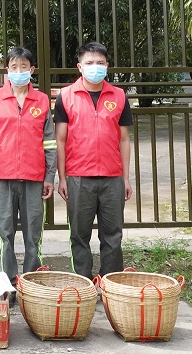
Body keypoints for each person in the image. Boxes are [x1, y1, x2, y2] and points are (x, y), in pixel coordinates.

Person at [56, 41, 134, 279]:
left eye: (100, 63)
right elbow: (60, 139)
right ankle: (84, 282)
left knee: (113, 235)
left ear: (107, 65)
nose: (95, 67)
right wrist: (62, 178)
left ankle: (109, 282)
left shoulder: (119, 96)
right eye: (89, 63)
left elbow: (124, 139)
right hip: (79, 177)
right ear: (80, 67)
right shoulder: (66, 96)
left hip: (112, 178)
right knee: (79, 235)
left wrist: (125, 178)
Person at [0, 47, 56, 285]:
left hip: (34, 177)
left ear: (32, 70)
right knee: (6, 233)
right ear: (7, 70)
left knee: (33, 233)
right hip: (3, 177)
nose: (19, 71)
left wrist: (49, 176)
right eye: (14, 67)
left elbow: (50, 141)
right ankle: (9, 281)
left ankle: (30, 281)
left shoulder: (42, 100)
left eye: (24, 67)